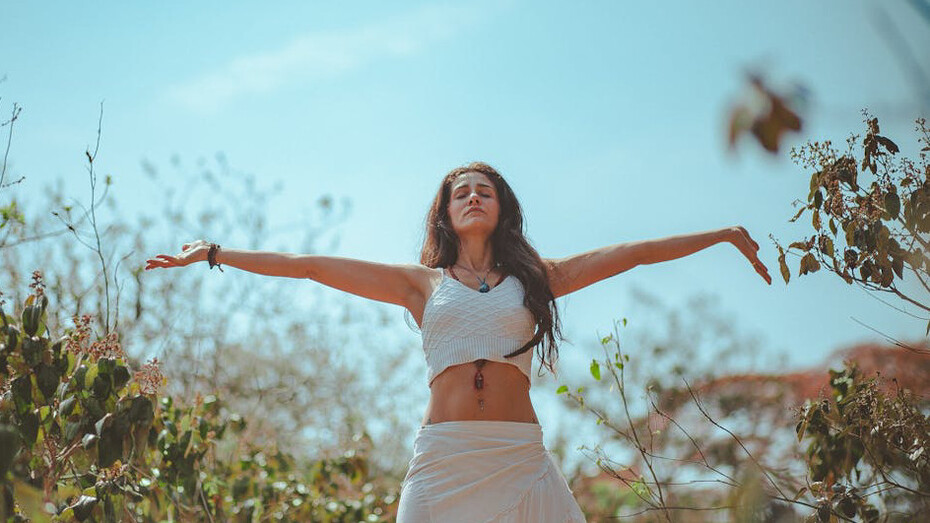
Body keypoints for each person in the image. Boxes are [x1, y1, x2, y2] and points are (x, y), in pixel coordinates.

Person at [145, 161, 771, 522]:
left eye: (485, 191)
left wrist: (719, 234)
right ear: (444, 213)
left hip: (519, 457)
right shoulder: (419, 285)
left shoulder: (538, 279)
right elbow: (310, 264)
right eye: (460, 193)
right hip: (443, 459)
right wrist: (217, 254)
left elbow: (632, 253)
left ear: (504, 209)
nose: (473, 197)